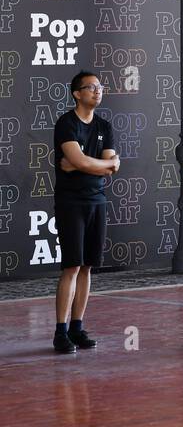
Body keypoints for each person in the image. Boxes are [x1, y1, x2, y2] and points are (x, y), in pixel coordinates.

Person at [52, 71, 119, 354]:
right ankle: (61, 332)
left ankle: (78, 327)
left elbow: (111, 165)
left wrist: (83, 163)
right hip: (71, 203)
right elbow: (86, 162)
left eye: (100, 87)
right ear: (77, 93)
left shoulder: (105, 125)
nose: (97, 91)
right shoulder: (66, 124)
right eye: (91, 87)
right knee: (72, 266)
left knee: (88, 266)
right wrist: (93, 164)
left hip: (97, 201)